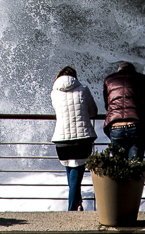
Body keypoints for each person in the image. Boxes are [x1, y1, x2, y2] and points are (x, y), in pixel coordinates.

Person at [51, 65, 98, 211]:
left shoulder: (54, 93)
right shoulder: (83, 89)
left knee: (71, 172)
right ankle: (71, 210)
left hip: (61, 139)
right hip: (81, 138)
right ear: (74, 77)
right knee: (76, 177)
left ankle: (77, 204)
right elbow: (93, 112)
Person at [102, 60, 145, 160]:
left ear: (119, 70)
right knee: (135, 166)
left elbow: (107, 105)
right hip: (135, 126)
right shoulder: (143, 79)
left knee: (119, 166)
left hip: (116, 127)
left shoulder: (109, 80)